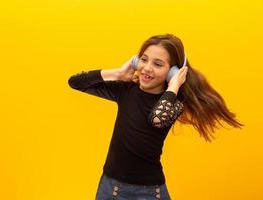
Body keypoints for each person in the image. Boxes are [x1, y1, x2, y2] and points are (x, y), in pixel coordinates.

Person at [68, 33, 243, 200]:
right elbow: (75, 82)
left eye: (158, 64)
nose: (147, 68)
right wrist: (118, 74)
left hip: (149, 193)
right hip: (109, 187)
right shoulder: (125, 90)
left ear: (173, 71)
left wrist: (173, 86)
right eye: (143, 59)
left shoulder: (174, 102)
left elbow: (158, 118)